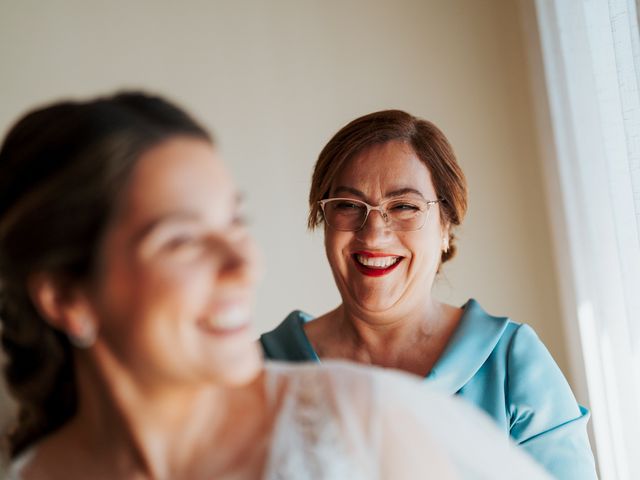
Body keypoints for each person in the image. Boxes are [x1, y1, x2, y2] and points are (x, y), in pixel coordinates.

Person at [0, 93, 550, 479]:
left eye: (235, 223)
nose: (246, 266)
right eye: (184, 240)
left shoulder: (361, 419)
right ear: (65, 297)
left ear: (447, 221)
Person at [260, 110, 597, 479]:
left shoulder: (511, 365)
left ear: (445, 226)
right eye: (348, 206)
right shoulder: (262, 371)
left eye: (404, 206)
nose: (373, 234)